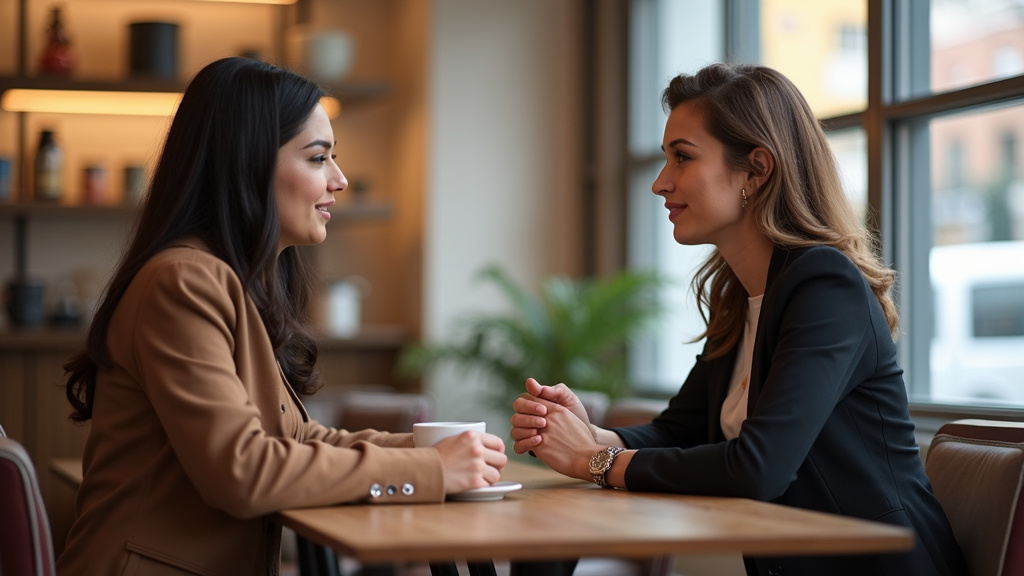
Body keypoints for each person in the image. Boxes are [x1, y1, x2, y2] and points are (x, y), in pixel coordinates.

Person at [510, 63, 969, 576]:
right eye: (665, 158)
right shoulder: (742, 295)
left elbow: (759, 468)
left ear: (756, 170)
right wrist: (593, 436)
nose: (660, 183)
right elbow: (680, 431)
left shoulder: (825, 286)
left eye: (682, 157)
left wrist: (591, 462)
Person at [57, 57, 507, 575]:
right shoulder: (182, 282)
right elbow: (243, 471)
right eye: (318, 158)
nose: (339, 179)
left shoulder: (227, 282)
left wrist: (432, 449)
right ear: (246, 165)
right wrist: (429, 468)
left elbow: (299, 440)